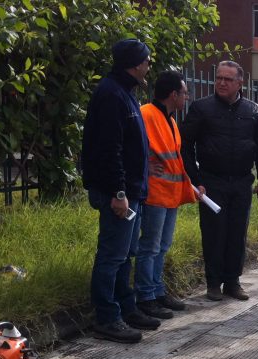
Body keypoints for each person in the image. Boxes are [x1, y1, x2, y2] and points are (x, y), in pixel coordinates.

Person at [81, 38, 156, 343]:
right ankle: (107, 317)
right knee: (112, 255)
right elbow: (109, 150)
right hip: (119, 193)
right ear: (136, 64)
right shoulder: (111, 94)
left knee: (126, 254)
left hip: (132, 191)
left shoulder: (125, 93)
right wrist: (119, 193)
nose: (150, 66)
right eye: (147, 61)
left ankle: (126, 308)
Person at [180, 61, 258, 302]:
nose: (221, 82)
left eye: (228, 79)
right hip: (211, 182)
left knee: (237, 233)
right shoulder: (202, 108)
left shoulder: (252, 110)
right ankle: (213, 283)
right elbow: (184, 146)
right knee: (213, 233)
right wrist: (195, 179)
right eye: (218, 77)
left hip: (242, 181)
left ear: (239, 83)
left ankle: (233, 281)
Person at [134, 71, 198, 320]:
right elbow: (133, 147)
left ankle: (157, 291)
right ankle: (146, 296)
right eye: (184, 93)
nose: (186, 97)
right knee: (150, 247)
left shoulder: (169, 119)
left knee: (161, 247)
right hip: (155, 194)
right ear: (174, 94)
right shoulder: (147, 114)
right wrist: (145, 167)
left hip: (169, 193)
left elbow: (173, 158)